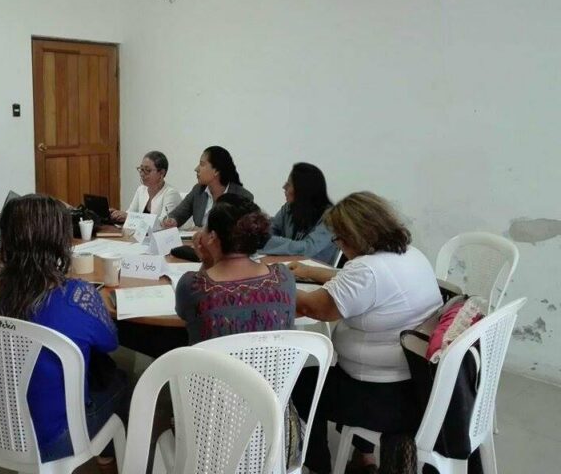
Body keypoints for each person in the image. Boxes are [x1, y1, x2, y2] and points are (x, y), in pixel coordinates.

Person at [289, 192, 443, 474]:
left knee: (299, 384)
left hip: (382, 393)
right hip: (413, 382)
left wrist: (272, 282)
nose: (338, 243)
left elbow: (315, 308)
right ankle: (364, 457)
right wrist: (313, 273)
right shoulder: (409, 254)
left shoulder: (366, 270)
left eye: (338, 238)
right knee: (335, 375)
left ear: (352, 236)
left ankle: (317, 466)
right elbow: (360, 285)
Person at [0, 195, 128, 470]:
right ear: (59, 239)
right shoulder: (76, 295)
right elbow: (110, 342)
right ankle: (107, 456)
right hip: (55, 436)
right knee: (121, 381)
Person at [175, 194, 295, 344]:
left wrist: (206, 261)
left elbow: (186, 314)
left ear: (212, 237)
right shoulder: (283, 277)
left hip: (211, 368)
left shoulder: (193, 285)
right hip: (273, 367)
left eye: (204, 227)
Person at [261, 162, 339, 264]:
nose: (284, 187)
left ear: (303, 190)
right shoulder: (288, 208)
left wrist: (268, 243)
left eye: (289, 184)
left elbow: (308, 249)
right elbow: (266, 232)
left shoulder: (331, 216)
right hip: (289, 267)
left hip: (316, 274)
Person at [163, 146, 253, 230]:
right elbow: (178, 214)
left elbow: (240, 233)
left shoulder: (242, 196)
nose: (196, 169)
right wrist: (172, 221)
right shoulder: (198, 190)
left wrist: (205, 232)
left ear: (216, 171)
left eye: (202, 164)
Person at [109, 151, 182, 224]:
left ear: (161, 173)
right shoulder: (141, 190)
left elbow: (163, 223)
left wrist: (129, 217)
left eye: (147, 170)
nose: (142, 174)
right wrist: (118, 215)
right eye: (141, 169)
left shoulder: (171, 193)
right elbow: (130, 213)